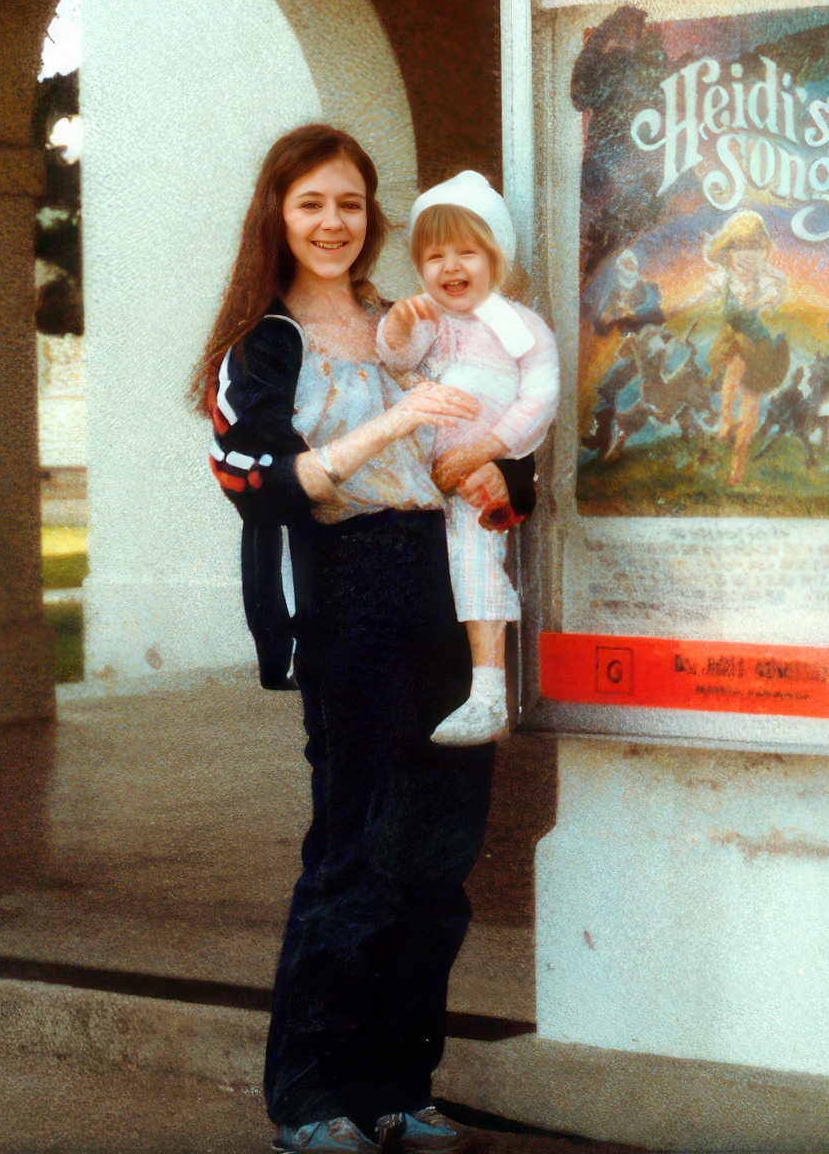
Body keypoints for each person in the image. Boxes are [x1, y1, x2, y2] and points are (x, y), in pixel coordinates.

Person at [192, 124, 516, 1154]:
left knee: (439, 858)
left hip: (447, 588)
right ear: (278, 217)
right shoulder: (266, 343)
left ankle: (398, 1085)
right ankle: (309, 1095)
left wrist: (500, 469)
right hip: (351, 593)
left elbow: (488, 430)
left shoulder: (411, 320)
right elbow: (262, 487)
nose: (332, 223)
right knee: (356, 853)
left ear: (371, 214)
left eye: (348, 204)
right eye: (310, 205)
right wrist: (390, 422)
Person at [377, 171, 559, 746]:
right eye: (434, 256)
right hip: (415, 467)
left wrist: (490, 448)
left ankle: (487, 692)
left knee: (477, 563)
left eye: (466, 253)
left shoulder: (518, 326)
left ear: (495, 258)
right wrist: (400, 325)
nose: (450, 267)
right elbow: (396, 358)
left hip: (475, 474)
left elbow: (541, 395)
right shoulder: (432, 322)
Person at [702, 210, 790, 486]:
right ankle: (726, 419)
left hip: (757, 343)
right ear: (728, 252)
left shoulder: (768, 280)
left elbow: (779, 291)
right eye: (739, 247)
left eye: (754, 247)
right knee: (731, 376)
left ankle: (738, 463)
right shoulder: (722, 279)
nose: (747, 255)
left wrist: (769, 297)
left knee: (752, 401)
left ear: (761, 251)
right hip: (732, 341)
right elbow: (705, 297)